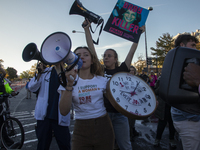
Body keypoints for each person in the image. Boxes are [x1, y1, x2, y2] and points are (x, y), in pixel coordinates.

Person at [83, 19, 145, 150]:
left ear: (115, 59)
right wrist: (87, 29)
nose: (105, 57)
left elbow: (132, 51)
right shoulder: (100, 71)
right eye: (104, 55)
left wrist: (138, 34)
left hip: (119, 115)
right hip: (103, 115)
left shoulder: (122, 69)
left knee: (125, 145)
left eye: (109, 56)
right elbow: (92, 50)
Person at [59, 46, 115, 150]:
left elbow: (116, 101)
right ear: (73, 60)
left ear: (92, 61)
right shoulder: (66, 81)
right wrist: (70, 84)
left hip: (104, 126)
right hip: (81, 129)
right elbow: (63, 111)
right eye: (78, 55)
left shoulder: (102, 80)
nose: (82, 58)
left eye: (86, 55)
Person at [28, 62, 71, 150]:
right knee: (42, 145)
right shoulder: (44, 72)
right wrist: (39, 73)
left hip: (60, 115)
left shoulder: (68, 72)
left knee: (65, 144)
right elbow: (31, 87)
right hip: (44, 117)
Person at [171, 34, 200, 150]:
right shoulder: (179, 66)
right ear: (182, 45)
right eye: (193, 45)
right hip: (189, 118)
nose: (196, 49)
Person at [153, 75, 176, 148]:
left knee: (172, 125)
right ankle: (157, 139)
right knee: (161, 125)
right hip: (163, 106)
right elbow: (156, 91)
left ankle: (172, 140)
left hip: (172, 105)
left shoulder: (175, 80)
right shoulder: (161, 80)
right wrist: (162, 87)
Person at [128, 66, 139, 141]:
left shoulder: (137, 80)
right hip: (127, 102)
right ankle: (130, 134)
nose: (131, 71)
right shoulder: (126, 79)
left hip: (134, 102)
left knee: (133, 119)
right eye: (130, 70)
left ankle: (132, 131)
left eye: (132, 70)